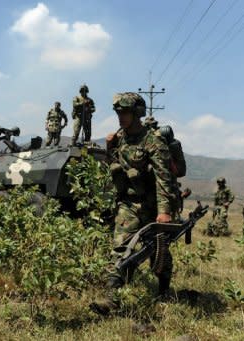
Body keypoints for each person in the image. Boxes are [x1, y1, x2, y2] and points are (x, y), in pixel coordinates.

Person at [90, 92, 180, 315]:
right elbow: (114, 168)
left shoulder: (153, 140)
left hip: (152, 205)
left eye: (126, 112)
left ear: (137, 113)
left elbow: (164, 178)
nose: (121, 117)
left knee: (159, 252)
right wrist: (109, 149)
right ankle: (112, 300)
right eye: (118, 113)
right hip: (128, 204)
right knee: (120, 249)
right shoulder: (118, 138)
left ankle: (163, 291)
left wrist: (164, 212)